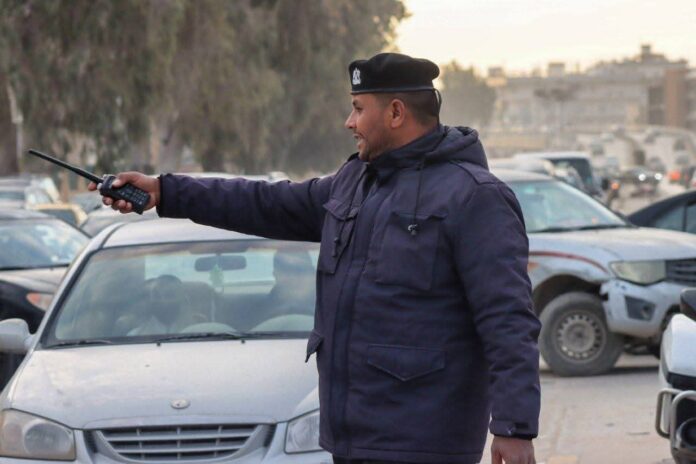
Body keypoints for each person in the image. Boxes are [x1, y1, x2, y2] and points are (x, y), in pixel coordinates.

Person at [91, 52, 541, 464]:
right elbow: (264, 203)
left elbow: (507, 318)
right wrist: (165, 191)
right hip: (350, 441)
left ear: (396, 113)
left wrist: (514, 427)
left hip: (425, 443)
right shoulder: (354, 182)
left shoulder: (474, 197)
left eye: (358, 109)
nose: (349, 122)